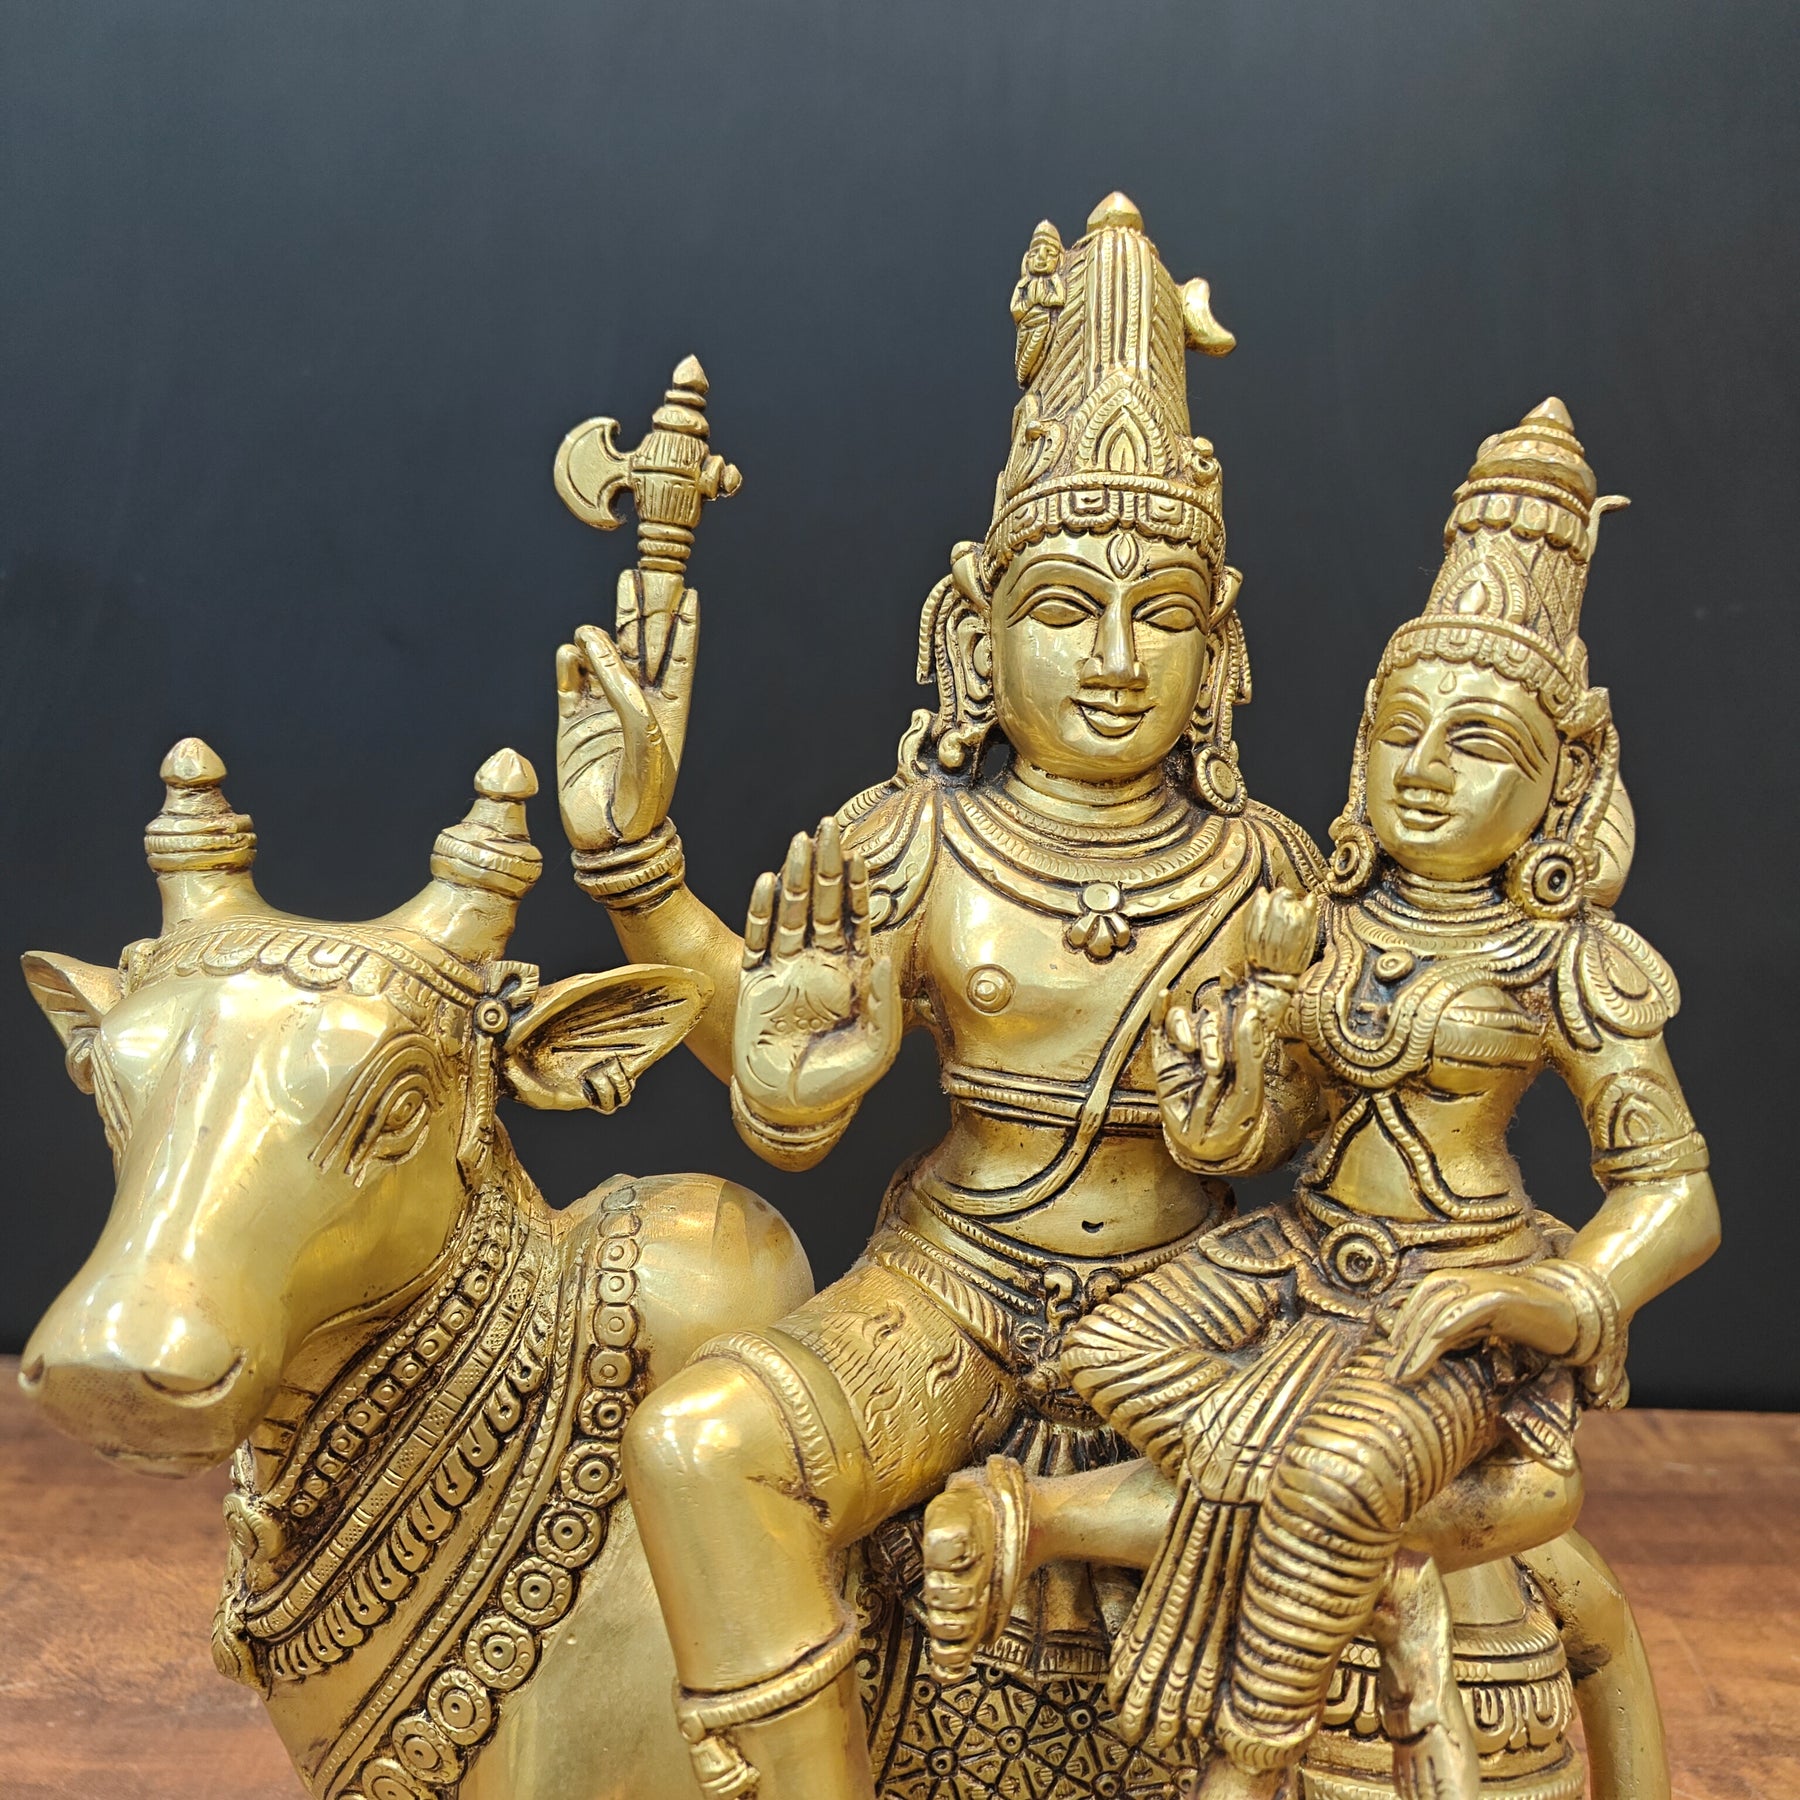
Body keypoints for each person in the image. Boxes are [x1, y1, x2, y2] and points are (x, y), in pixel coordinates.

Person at [552, 194, 1322, 1799]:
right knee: (702, 1448)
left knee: (1345, 1484)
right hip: (955, 1290)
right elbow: (783, 1063)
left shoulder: (1268, 870)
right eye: (1065, 609)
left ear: (1221, 643)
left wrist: (1265, 1106)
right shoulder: (913, 842)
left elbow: (1344, 1134)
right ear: (976, 627)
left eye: (1162, 617)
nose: (1115, 659)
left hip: (1198, 1303)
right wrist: (640, 873)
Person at [921, 399, 1718, 1800]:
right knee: (1098, 1351)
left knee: (1340, 1482)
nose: (1426, 769)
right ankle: (1301, 1514)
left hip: (1454, 1290)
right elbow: (1263, 1131)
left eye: (1479, 743)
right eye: (1401, 732)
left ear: (1563, 782)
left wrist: (1556, 1300)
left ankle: (1246, 1755)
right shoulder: (1323, 921)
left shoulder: (1568, 961)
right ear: (1360, 747)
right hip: (1296, 1256)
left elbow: (1675, 1193)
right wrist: (1231, 1069)